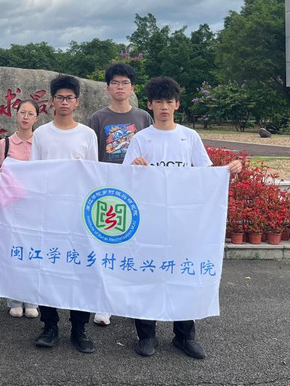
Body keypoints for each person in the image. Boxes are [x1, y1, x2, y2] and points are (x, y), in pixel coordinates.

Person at [123, 76, 241, 360]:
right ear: (150, 105)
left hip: (183, 220)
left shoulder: (189, 137)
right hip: (149, 220)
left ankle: (184, 335)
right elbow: (125, 180)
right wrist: (135, 167)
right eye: (159, 101)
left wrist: (227, 172)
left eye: (169, 101)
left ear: (177, 104)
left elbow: (205, 176)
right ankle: (146, 334)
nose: (164, 107)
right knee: (147, 274)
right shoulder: (141, 139)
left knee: (183, 273)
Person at [31, 75, 99, 354]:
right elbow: (34, 174)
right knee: (48, 267)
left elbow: (95, 175)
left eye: (69, 98)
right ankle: (50, 325)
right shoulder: (41, 134)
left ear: (77, 102)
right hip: (49, 213)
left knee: (80, 269)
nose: (64, 102)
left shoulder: (87, 134)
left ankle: (79, 328)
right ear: (52, 101)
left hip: (79, 214)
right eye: (60, 97)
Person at [87, 62, 152, 327]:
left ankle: (129, 298)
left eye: (125, 83)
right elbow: (92, 156)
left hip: (136, 189)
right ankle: (103, 303)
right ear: (108, 88)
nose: (120, 87)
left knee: (134, 245)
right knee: (106, 244)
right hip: (107, 191)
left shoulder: (143, 118)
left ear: (132, 88)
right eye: (115, 82)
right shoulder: (97, 118)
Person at [0, 99, 40, 319]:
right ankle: (14, 299)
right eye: (22, 112)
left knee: (33, 252)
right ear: (16, 114)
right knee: (13, 252)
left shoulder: (41, 143)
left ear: (36, 118)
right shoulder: (4, 143)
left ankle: (31, 299)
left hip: (35, 207)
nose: (25, 117)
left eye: (30, 114)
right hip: (11, 207)